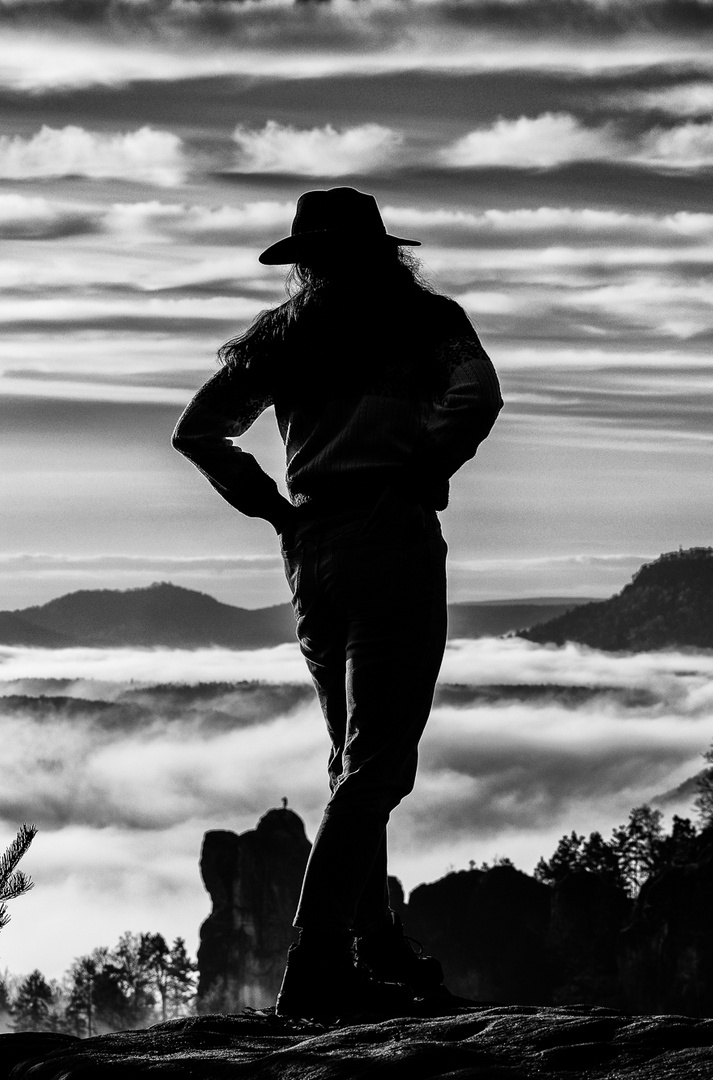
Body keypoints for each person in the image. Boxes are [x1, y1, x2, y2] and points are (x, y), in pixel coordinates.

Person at [172, 187, 502, 1020]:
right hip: (389, 540)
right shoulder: (426, 320)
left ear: (306, 262)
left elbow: (199, 432)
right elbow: (476, 397)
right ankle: (321, 959)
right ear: (383, 251)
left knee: (350, 758)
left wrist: (272, 508)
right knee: (377, 766)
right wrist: (419, 472)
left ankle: (376, 945)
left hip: (310, 550)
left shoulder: (282, 338)